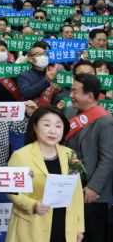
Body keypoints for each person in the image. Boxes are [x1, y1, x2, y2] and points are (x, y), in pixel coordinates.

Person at [5, 106, 85, 242]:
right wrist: (33, 205)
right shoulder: (21, 155)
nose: (53, 131)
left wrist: (79, 227)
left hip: (65, 226)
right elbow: (11, 191)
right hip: (32, 226)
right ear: (35, 127)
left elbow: (77, 193)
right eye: (47, 125)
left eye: (58, 126)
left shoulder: (70, 155)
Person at [64, 74, 113, 242]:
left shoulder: (105, 121)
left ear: (90, 96)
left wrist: (94, 188)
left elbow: (108, 159)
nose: (71, 95)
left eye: (74, 91)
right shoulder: (70, 112)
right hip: (70, 188)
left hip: (92, 194)